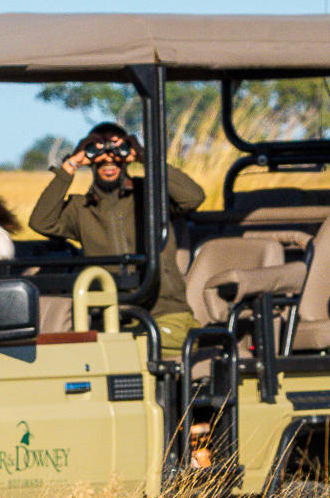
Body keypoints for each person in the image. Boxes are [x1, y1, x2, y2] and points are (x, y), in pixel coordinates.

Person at [28, 122, 206, 352]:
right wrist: (70, 166)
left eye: (117, 152)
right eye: (99, 153)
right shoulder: (80, 208)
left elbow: (193, 198)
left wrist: (145, 158)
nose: (109, 161)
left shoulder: (151, 195)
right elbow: (41, 222)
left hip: (165, 315)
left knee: (129, 352)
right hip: (111, 318)